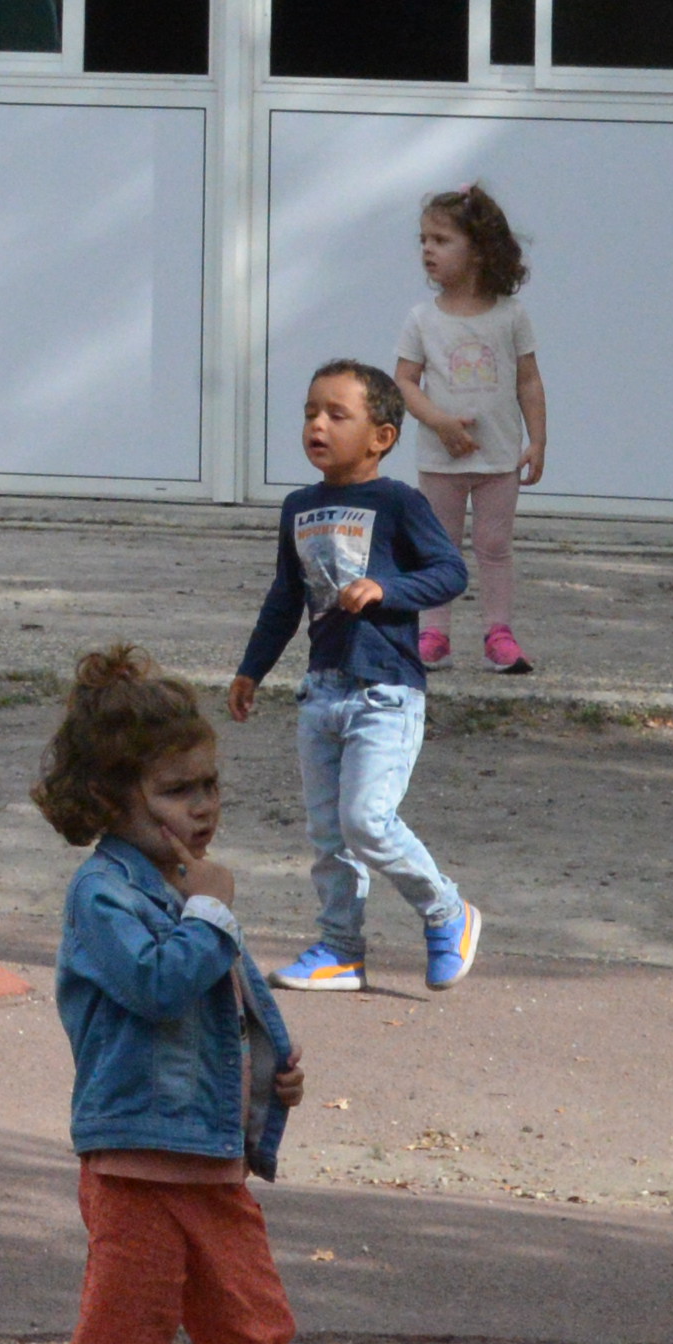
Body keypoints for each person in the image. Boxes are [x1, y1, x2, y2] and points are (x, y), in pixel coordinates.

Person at [0, 643, 384, 1344]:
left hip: (205, 1162)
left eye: (211, 787)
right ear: (115, 798)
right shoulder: (107, 894)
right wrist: (211, 916)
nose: (204, 808)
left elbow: (214, 1015)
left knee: (259, 1336)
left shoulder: (178, 892)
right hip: (135, 1169)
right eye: (179, 789)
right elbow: (158, 988)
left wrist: (262, 1080)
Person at [229, 361, 480, 999]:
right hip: (322, 693)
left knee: (367, 820)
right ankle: (340, 950)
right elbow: (285, 599)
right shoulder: (298, 507)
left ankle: (447, 912)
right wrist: (251, 669)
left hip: (386, 693)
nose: (317, 424)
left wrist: (387, 588)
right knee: (329, 836)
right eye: (311, 412)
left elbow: (451, 572)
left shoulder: (399, 502)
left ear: (381, 437)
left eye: (337, 415)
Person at [393, 186, 547, 676]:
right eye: (423, 239)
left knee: (494, 546)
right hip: (441, 461)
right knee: (439, 545)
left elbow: (528, 379)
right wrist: (438, 420)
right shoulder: (422, 319)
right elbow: (403, 382)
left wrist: (537, 440)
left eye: (441, 239)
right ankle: (433, 633)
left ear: (479, 249)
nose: (427, 250)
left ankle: (498, 633)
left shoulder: (510, 315)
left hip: (498, 459)